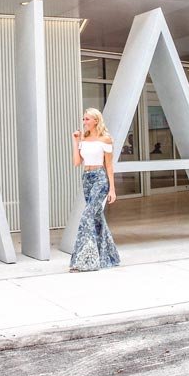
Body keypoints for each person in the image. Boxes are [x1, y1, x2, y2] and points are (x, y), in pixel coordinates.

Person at [69, 108, 121, 272]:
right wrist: (75, 141)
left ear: (96, 121)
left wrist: (112, 189)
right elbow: (77, 162)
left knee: (86, 216)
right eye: (83, 119)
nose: (84, 122)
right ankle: (109, 256)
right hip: (86, 178)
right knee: (96, 217)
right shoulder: (83, 138)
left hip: (100, 178)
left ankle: (85, 260)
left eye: (87, 119)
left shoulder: (105, 139)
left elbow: (109, 165)